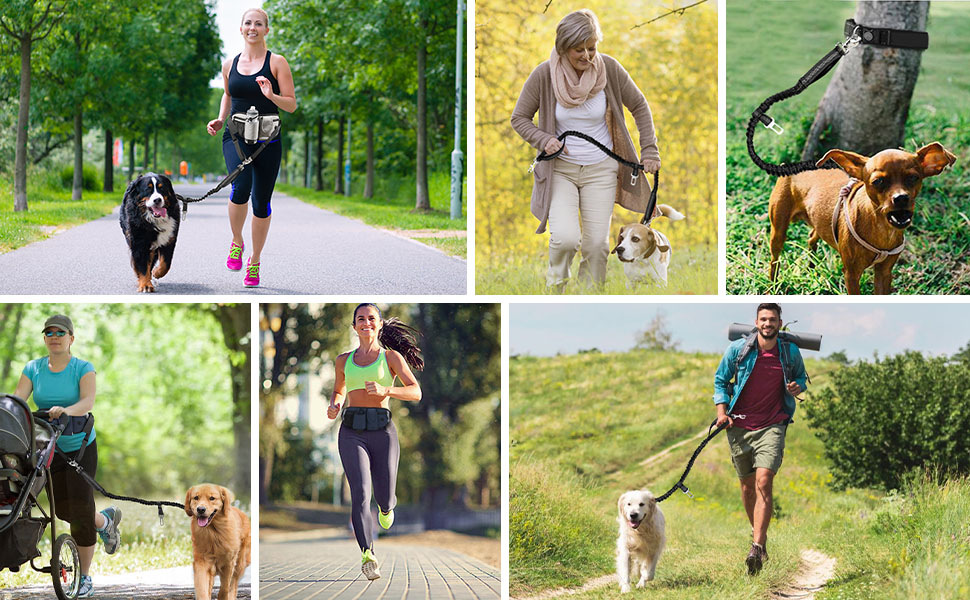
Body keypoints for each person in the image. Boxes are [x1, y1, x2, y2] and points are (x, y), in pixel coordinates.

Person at [511, 8, 661, 292]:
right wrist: (543, 139)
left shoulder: (610, 70)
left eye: (591, 48)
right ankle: (556, 290)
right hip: (561, 172)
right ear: (563, 48)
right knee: (565, 238)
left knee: (596, 247)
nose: (587, 56)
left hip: (602, 169)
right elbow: (519, 118)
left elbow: (640, 106)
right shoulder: (544, 75)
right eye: (579, 50)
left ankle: (588, 294)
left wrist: (649, 151)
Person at [15, 315, 121, 599]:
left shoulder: (83, 368)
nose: (54, 336)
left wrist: (67, 409)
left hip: (79, 446)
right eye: (49, 332)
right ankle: (105, 521)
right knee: (62, 510)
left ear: (71, 338)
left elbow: (88, 402)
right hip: (47, 448)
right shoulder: (33, 368)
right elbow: (18, 400)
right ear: (45, 338)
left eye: (60, 332)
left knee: (80, 513)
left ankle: (85, 578)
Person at [326, 304, 423, 580]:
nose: (366, 323)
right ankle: (367, 553)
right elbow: (338, 389)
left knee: (384, 494)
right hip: (351, 430)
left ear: (379, 325)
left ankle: (387, 507)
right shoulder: (343, 360)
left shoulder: (390, 357)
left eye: (371, 319)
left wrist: (386, 390)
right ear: (354, 326)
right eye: (361, 319)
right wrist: (335, 404)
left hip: (383, 431)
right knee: (360, 493)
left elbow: (416, 391)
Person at [713, 303, 807, 575]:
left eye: (773, 319)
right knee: (747, 486)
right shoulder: (738, 350)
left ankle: (756, 546)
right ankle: (759, 539)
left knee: (764, 480)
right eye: (763, 319)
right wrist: (722, 412)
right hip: (739, 426)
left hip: (773, 423)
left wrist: (795, 386)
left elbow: (800, 377)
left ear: (780, 323)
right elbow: (720, 381)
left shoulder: (789, 352)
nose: (768, 324)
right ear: (756, 322)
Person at [206, 7, 297, 287]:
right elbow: (228, 94)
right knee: (240, 185)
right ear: (241, 28)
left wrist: (271, 95)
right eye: (248, 23)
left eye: (258, 24)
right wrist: (221, 119)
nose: (253, 28)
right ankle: (236, 241)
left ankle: (254, 260)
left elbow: (291, 104)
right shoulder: (229, 64)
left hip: (268, 138)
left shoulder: (277, 63)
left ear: (266, 30)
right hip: (235, 135)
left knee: (261, 202)